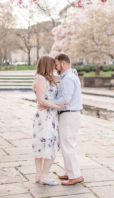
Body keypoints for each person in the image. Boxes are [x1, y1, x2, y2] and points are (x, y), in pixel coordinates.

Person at [38, 53, 84, 185]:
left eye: (56, 64)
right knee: (66, 145)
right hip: (69, 115)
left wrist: (47, 104)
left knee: (68, 145)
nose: (55, 67)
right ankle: (70, 173)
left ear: (63, 64)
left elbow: (65, 99)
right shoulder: (69, 76)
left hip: (69, 114)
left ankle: (75, 176)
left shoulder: (68, 78)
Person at [32, 55, 69, 186]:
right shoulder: (40, 79)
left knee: (45, 143)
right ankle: (44, 175)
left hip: (50, 115)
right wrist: (57, 106)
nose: (55, 66)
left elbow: (64, 75)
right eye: (53, 64)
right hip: (45, 117)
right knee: (49, 144)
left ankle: (40, 175)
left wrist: (71, 71)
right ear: (47, 65)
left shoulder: (48, 78)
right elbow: (41, 100)